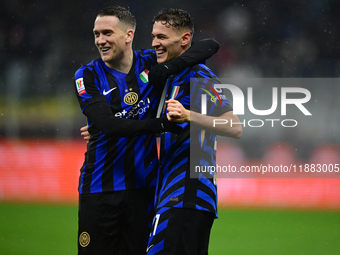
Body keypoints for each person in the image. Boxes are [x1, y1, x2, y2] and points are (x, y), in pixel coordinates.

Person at [74, 6, 220, 255]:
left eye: (107, 33)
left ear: (128, 35)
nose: (100, 40)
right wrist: (160, 124)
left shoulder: (151, 63)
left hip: (145, 190)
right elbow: (110, 126)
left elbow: (209, 45)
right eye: (96, 34)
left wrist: (168, 69)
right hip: (99, 189)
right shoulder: (87, 74)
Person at [145, 9, 242, 255]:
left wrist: (189, 115)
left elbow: (234, 126)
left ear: (185, 39)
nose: (155, 43)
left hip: (189, 193)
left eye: (162, 37)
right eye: (154, 36)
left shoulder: (200, 76)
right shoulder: (175, 76)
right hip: (175, 193)